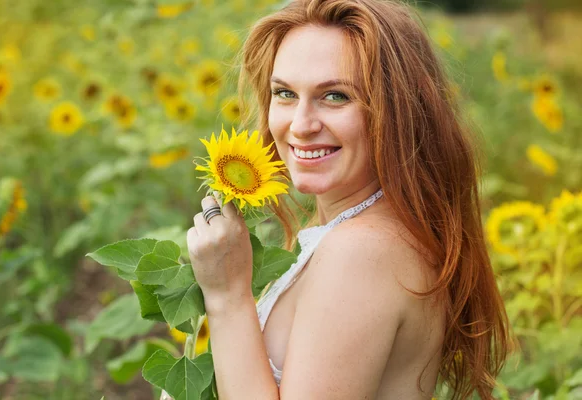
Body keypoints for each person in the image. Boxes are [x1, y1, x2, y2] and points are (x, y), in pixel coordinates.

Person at [167, 0, 514, 399]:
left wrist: (227, 297)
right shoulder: (351, 230)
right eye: (284, 93)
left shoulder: (361, 252)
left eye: (335, 96)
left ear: (397, 111)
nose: (300, 125)